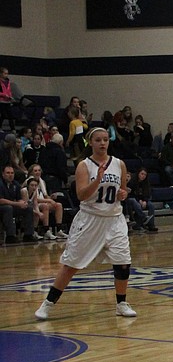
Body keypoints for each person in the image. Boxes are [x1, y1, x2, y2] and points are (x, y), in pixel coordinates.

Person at [35, 127, 136, 320]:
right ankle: (48, 303)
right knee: (71, 264)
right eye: (98, 140)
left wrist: (123, 194)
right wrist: (97, 179)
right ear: (91, 143)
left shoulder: (119, 164)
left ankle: (121, 303)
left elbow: (122, 191)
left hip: (114, 219)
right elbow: (81, 195)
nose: (102, 143)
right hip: (90, 219)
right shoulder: (84, 165)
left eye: (105, 139)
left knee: (123, 263)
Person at [25, 163, 67, 239]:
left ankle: (59, 230)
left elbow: (45, 195)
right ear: (31, 172)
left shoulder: (42, 181)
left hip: (42, 201)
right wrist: (48, 201)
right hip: (33, 203)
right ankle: (46, 230)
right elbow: (34, 198)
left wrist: (50, 198)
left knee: (58, 205)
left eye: (39, 170)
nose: (37, 172)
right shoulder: (29, 182)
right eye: (35, 171)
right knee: (45, 206)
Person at [0, 162, 36, 243]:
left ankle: (28, 234)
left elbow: (19, 198)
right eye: (8, 173)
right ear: (3, 174)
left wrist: (23, 203)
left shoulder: (15, 184)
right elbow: (1, 200)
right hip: (2, 207)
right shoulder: (1, 184)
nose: (10, 175)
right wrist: (17, 203)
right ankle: (10, 236)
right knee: (8, 208)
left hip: (11, 206)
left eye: (12, 173)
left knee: (28, 209)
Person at [125, 166, 158, 232]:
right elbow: (132, 194)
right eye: (142, 174)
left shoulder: (146, 183)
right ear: (138, 174)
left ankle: (151, 225)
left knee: (151, 205)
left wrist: (145, 201)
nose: (143, 176)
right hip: (135, 199)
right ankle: (143, 219)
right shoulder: (133, 181)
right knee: (136, 204)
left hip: (143, 200)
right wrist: (139, 200)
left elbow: (147, 193)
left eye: (145, 175)